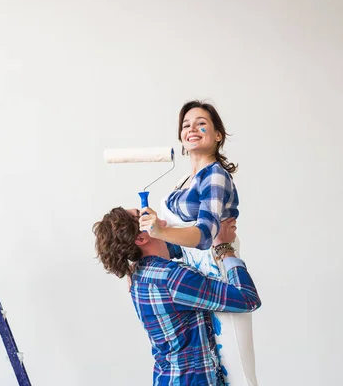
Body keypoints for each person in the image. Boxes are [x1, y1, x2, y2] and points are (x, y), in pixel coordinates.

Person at [139, 100, 259, 385]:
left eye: (201, 123)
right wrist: (138, 264)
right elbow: (181, 242)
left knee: (237, 372)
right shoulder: (184, 180)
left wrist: (159, 231)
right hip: (195, 278)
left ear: (218, 135)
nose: (192, 128)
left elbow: (204, 236)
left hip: (221, 273)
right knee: (213, 369)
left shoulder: (214, 175)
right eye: (186, 125)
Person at [92, 207, 261, 386]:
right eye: (143, 216)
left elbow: (175, 248)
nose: (151, 213)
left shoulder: (139, 274)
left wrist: (203, 237)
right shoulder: (173, 278)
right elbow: (247, 298)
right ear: (141, 238)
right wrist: (224, 247)